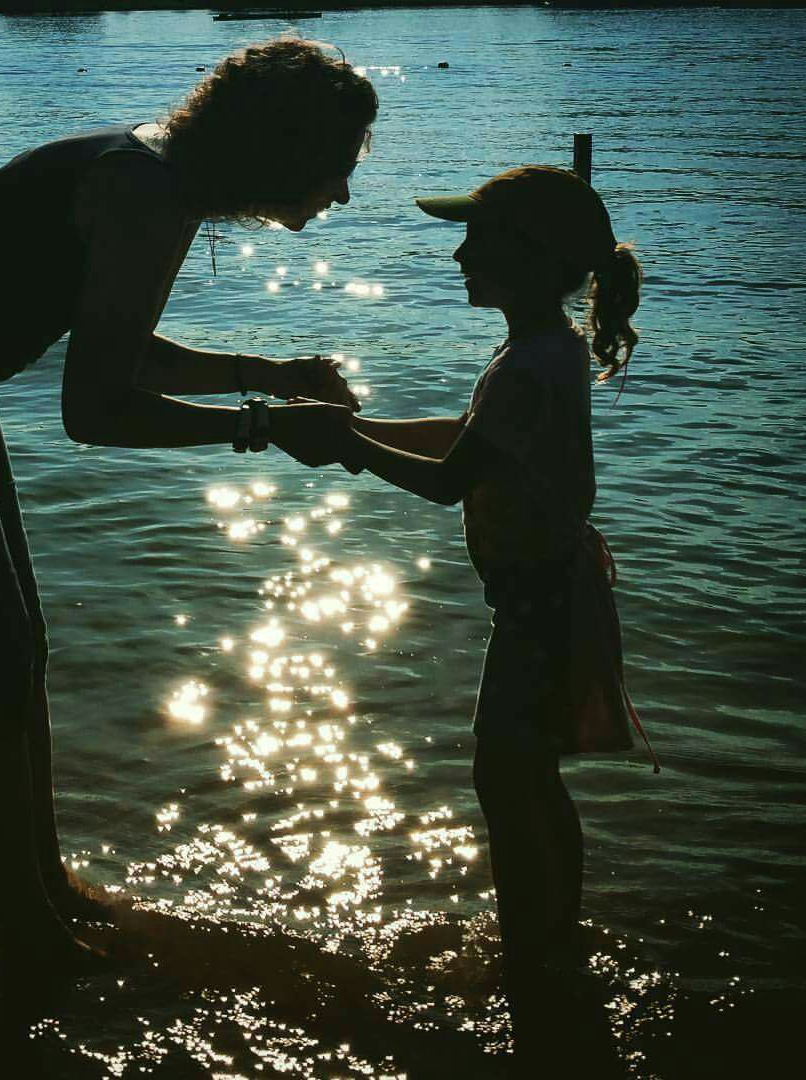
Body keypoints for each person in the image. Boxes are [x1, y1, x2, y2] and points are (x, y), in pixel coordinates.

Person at [0, 37, 375, 1001]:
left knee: (21, 644)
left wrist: (265, 375)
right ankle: (26, 934)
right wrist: (264, 426)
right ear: (283, 143)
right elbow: (95, 410)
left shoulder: (163, 177)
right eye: (337, 164)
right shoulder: (145, 190)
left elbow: (121, 346)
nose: (344, 192)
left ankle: (45, 888)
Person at [278, 165, 657, 1069]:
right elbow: (470, 436)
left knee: (506, 778)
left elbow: (452, 480)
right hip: (548, 591)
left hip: (537, 604)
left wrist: (347, 445)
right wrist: (358, 428)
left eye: (478, 238)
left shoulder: (529, 362)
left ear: (532, 257)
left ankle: (531, 957)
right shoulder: (545, 347)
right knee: (529, 779)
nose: (458, 254)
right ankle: (552, 943)